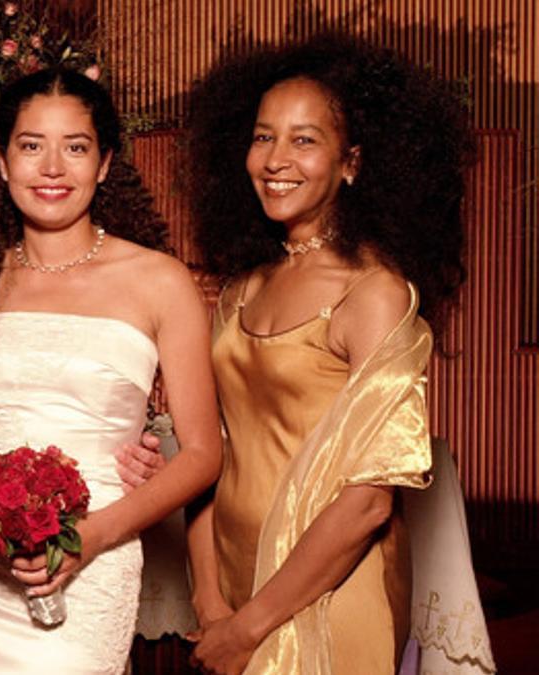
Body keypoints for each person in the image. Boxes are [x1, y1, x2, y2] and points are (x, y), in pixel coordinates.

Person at [180, 34, 474, 674]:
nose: (276, 159)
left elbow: (371, 499)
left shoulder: (374, 294)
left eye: (304, 139)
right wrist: (208, 600)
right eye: (263, 137)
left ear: (352, 163)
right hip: (230, 588)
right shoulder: (243, 288)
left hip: (326, 599)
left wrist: (250, 625)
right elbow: (213, 450)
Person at [0, 68, 223, 675]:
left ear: (106, 163)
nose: (53, 168)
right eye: (32, 146)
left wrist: (92, 536)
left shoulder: (160, 282)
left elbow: (203, 453)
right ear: (3, 163)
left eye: (77, 147)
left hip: (96, 557)